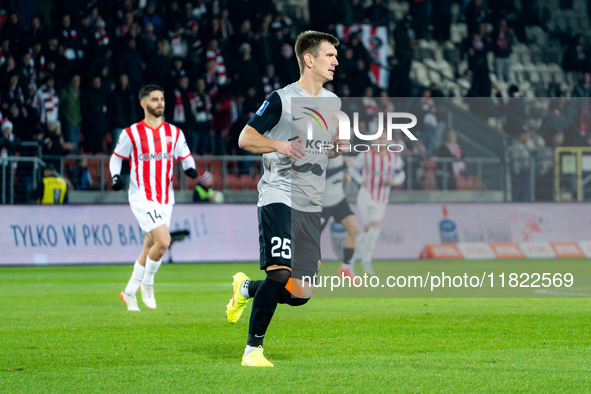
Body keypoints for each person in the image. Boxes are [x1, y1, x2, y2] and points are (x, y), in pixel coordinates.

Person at [226, 31, 347, 367]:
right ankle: (253, 351)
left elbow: (324, 149)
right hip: (279, 195)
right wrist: (280, 145)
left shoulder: (333, 104)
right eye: (329, 55)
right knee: (280, 273)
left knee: (301, 292)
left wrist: (337, 149)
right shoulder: (281, 99)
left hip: (311, 204)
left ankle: (246, 289)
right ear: (309, 60)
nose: (335, 61)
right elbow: (245, 137)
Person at [110, 85, 198, 312]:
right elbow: (116, 158)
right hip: (141, 196)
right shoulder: (131, 133)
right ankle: (147, 285)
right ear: (143, 104)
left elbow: (186, 156)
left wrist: (190, 169)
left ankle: (128, 292)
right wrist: (116, 176)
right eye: (155, 99)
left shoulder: (174, 133)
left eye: (162, 99)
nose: (160, 103)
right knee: (163, 242)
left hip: (165, 198)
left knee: (149, 247)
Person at [347, 133, 405, 276]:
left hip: (382, 198)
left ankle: (350, 259)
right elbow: (351, 166)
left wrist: (395, 181)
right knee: (375, 226)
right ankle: (366, 260)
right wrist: (360, 179)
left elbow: (401, 174)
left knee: (368, 231)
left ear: (388, 141)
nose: (381, 141)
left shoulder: (394, 157)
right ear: (374, 140)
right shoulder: (366, 155)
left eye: (384, 138)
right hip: (366, 195)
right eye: (379, 138)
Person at [320, 155, 358, 279]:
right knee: (311, 239)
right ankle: (301, 271)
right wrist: (344, 166)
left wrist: (343, 176)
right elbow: (320, 175)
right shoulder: (323, 152)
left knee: (353, 229)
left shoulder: (339, 153)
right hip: (323, 203)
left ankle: (345, 267)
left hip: (339, 199)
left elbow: (333, 176)